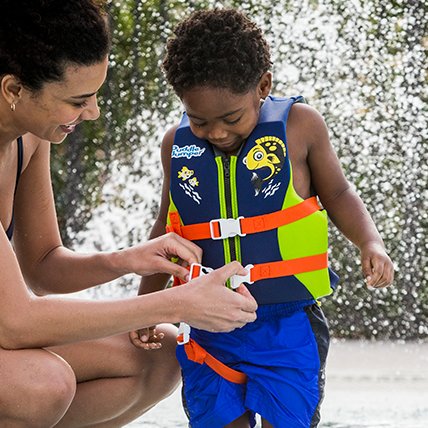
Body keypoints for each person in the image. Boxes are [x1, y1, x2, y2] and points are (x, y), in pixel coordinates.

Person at [130, 8, 394, 428]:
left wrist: (370, 242)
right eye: (199, 121)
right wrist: (145, 307)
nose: (216, 133)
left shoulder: (301, 128)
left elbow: (340, 193)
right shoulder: (174, 146)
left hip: (286, 324)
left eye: (231, 118)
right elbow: (166, 231)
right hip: (206, 327)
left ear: (263, 86)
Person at [0, 1, 258, 427]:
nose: (93, 112)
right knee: (41, 385)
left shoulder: (30, 136)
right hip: (10, 335)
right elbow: (15, 323)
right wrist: (179, 300)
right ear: (13, 90)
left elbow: (42, 267)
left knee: (157, 358)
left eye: (95, 95)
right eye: (77, 100)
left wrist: (129, 259)